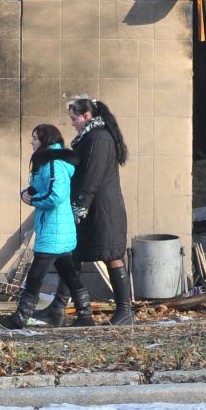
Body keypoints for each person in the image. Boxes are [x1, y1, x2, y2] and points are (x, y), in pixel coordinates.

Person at [12, 124, 91, 328]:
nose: (32, 142)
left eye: (35, 138)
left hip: (54, 229)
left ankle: (20, 317)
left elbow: (55, 195)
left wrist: (33, 200)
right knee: (69, 274)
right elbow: (40, 187)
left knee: (36, 275)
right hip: (56, 228)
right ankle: (85, 315)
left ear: (46, 140)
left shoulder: (53, 162)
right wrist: (26, 192)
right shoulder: (47, 161)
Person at [67, 95, 135, 324]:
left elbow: (91, 176)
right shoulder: (94, 136)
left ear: (86, 116)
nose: (72, 123)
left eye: (74, 118)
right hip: (98, 207)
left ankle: (124, 311)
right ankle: (80, 311)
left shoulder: (98, 138)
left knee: (112, 256)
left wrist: (79, 207)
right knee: (75, 255)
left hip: (101, 210)